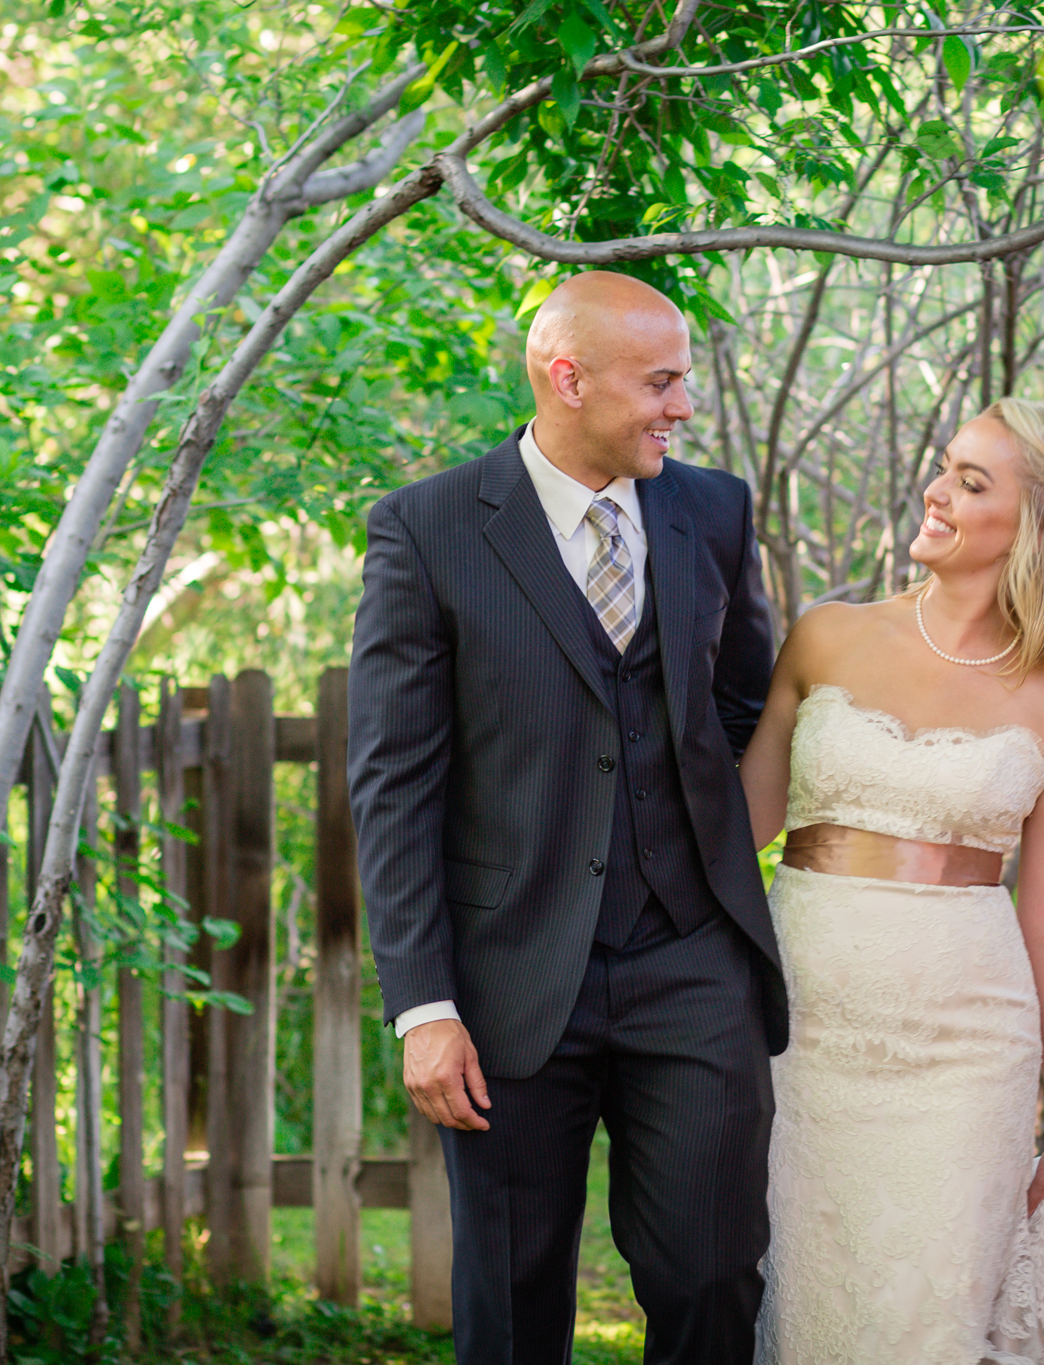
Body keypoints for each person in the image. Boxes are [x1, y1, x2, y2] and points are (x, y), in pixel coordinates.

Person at [346, 270, 787, 1364]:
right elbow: (394, 783)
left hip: (692, 961)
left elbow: (743, 698)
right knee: (509, 1302)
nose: (681, 407)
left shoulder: (714, 511)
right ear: (565, 377)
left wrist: (688, 833)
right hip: (507, 980)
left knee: (710, 1273)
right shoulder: (428, 528)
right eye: (660, 383)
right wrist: (422, 1008)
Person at [738, 398, 1044, 1363]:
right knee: (806, 1305)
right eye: (945, 466)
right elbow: (732, 842)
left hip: (967, 1054)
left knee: (927, 1322)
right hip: (802, 1033)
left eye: (971, 480)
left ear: (1036, 525)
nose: (937, 490)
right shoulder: (827, 636)